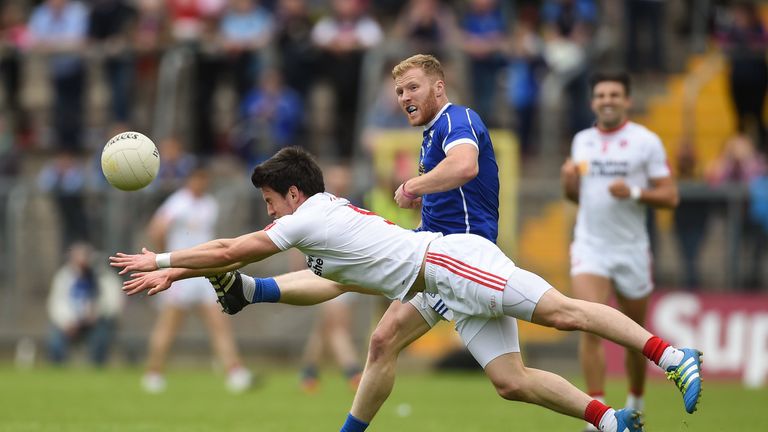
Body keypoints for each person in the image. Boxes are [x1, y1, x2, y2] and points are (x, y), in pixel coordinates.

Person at [112, 146, 703, 432]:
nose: (268, 214)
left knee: (566, 314)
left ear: (293, 195)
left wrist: (161, 257)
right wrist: (207, 279)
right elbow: (325, 284)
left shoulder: (310, 216)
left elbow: (227, 250)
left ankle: (672, 356)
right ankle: (612, 422)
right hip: (435, 286)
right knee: (508, 381)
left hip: (453, 264)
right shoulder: (326, 235)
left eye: (270, 203)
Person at [560, 71, 679, 431]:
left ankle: (636, 404)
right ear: (593, 102)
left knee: (634, 335)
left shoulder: (646, 142)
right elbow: (577, 196)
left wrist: (636, 193)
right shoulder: (582, 140)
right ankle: (596, 411)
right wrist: (568, 184)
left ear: (627, 100)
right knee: (589, 323)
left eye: (614, 94)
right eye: (601, 95)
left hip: (630, 249)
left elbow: (670, 196)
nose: (607, 100)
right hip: (590, 246)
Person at [140, 164, 253, 393]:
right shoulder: (178, 202)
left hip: (204, 275)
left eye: (204, 179)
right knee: (169, 325)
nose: (201, 183)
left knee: (218, 323)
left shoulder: (209, 204)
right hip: (180, 275)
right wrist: (162, 261)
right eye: (197, 179)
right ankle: (153, 373)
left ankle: (234, 371)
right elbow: (157, 229)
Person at [47, 242, 123, 366]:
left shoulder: (103, 276)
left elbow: (114, 301)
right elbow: (56, 303)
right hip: (69, 324)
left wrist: (97, 313)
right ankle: (58, 373)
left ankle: (97, 372)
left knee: (100, 339)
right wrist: (67, 321)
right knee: (55, 341)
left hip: (96, 322)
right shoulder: (63, 277)